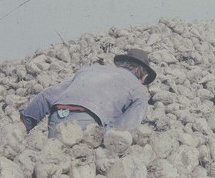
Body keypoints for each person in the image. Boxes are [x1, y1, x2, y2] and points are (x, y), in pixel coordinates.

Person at [19, 48, 157, 138]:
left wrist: (24, 125)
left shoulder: (91, 70)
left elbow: (47, 95)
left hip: (57, 120)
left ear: (122, 64)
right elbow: (126, 127)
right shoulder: (139, 90)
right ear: (144, 76)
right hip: (88, 124)